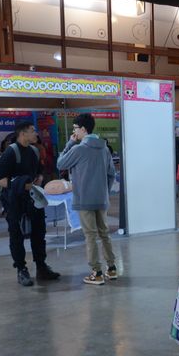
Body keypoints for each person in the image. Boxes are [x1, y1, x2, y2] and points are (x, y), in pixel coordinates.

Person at [0, 121, 60, 286]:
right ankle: (21, 270)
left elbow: (38, 172)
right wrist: (22, 184)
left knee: (39, 232)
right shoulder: (10, 152)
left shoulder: (34, 151)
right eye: (32, 131)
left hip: (32, 199)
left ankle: (41, 267)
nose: (35, 133)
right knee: (16, 235)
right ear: (22, 134)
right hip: (14, 201)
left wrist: (39, 179)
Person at [57, 113, 118, 285]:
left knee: (90, 235)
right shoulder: (104, 148)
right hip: (101, 199)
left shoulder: (78, 149)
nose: (74, 132)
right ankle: (111, 268)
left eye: (75, 128)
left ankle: (96, 272)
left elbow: (60, 163)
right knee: (104, 234)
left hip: (84, 199)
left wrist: (69, 143)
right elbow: (111, 174)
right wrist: (103, 192)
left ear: (83, 129)